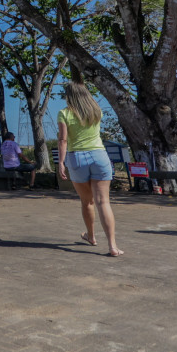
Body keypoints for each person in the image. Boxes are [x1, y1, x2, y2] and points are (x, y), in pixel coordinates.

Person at [57, 82, 122, 257]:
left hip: (76, 157)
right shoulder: (96, 111)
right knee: (103, 202)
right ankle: (112, 246)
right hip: (99, 156)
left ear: (68, 96)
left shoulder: (64, 113)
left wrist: (61, 162)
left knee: (87, 202)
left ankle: (91, 236)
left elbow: (63, 140)